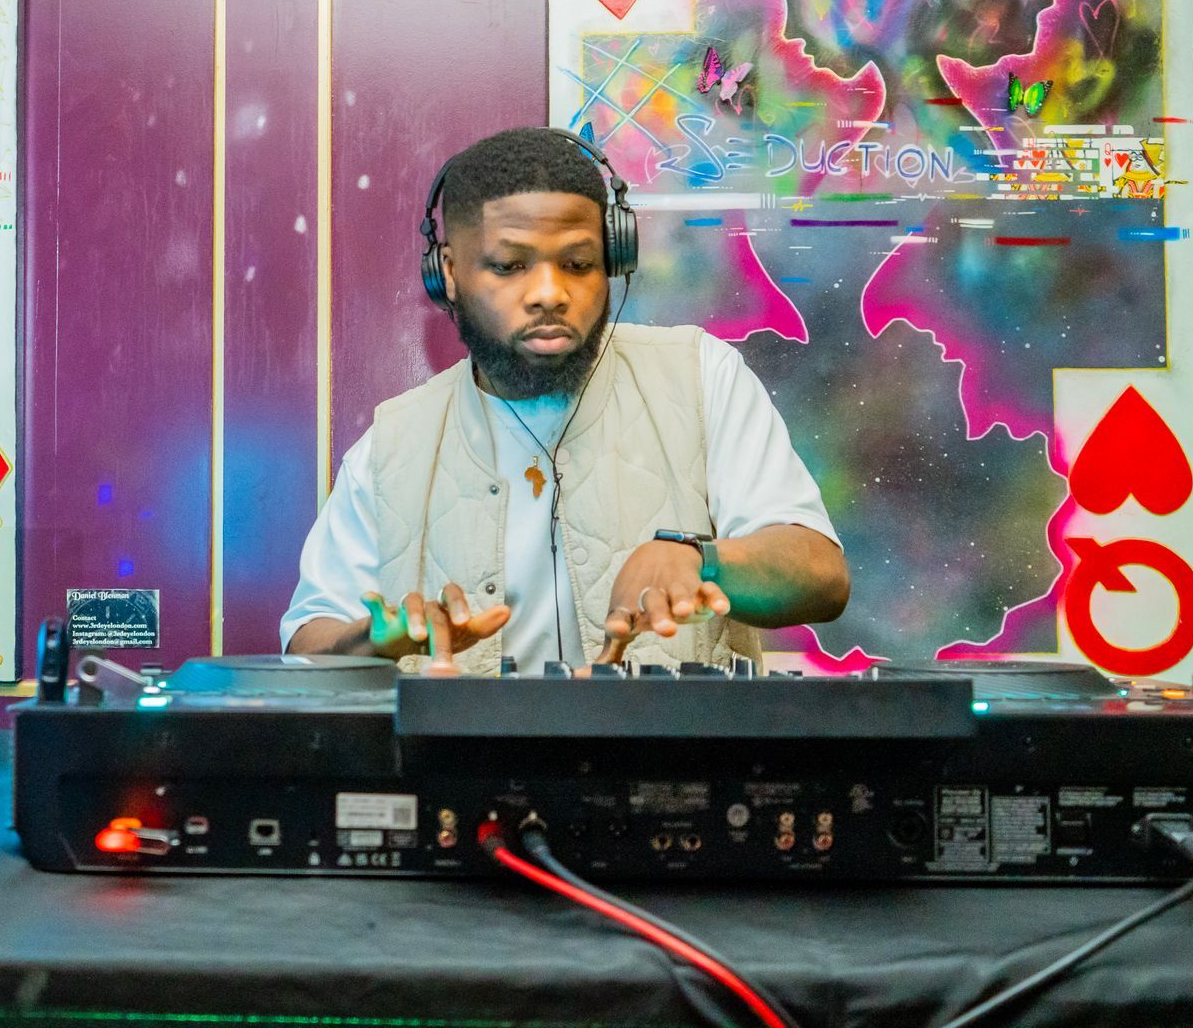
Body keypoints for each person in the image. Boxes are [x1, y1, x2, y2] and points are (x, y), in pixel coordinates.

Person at [282, 127, 847, 674]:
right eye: (509, 266)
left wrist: (701, 561)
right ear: (449, 273)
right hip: (470, 773)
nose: (550, 293)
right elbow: (309, 637)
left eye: (577, 264)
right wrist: (373, 640)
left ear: (613, 259)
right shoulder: (394, 443)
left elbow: (820, 577)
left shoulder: (702, 377)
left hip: (670, 772)